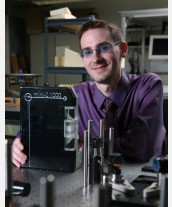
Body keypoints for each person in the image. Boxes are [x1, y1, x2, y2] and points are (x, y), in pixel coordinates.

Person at [12, 19, 166, 168]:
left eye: (104, 47)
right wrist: (20, 142)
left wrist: (90, 147)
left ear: (123, 50)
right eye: (87, 52)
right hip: (93, 182)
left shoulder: (147, 85)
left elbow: (140, 146)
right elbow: (37, 127)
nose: (95, 58)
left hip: (146, 180)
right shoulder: (77, 94)